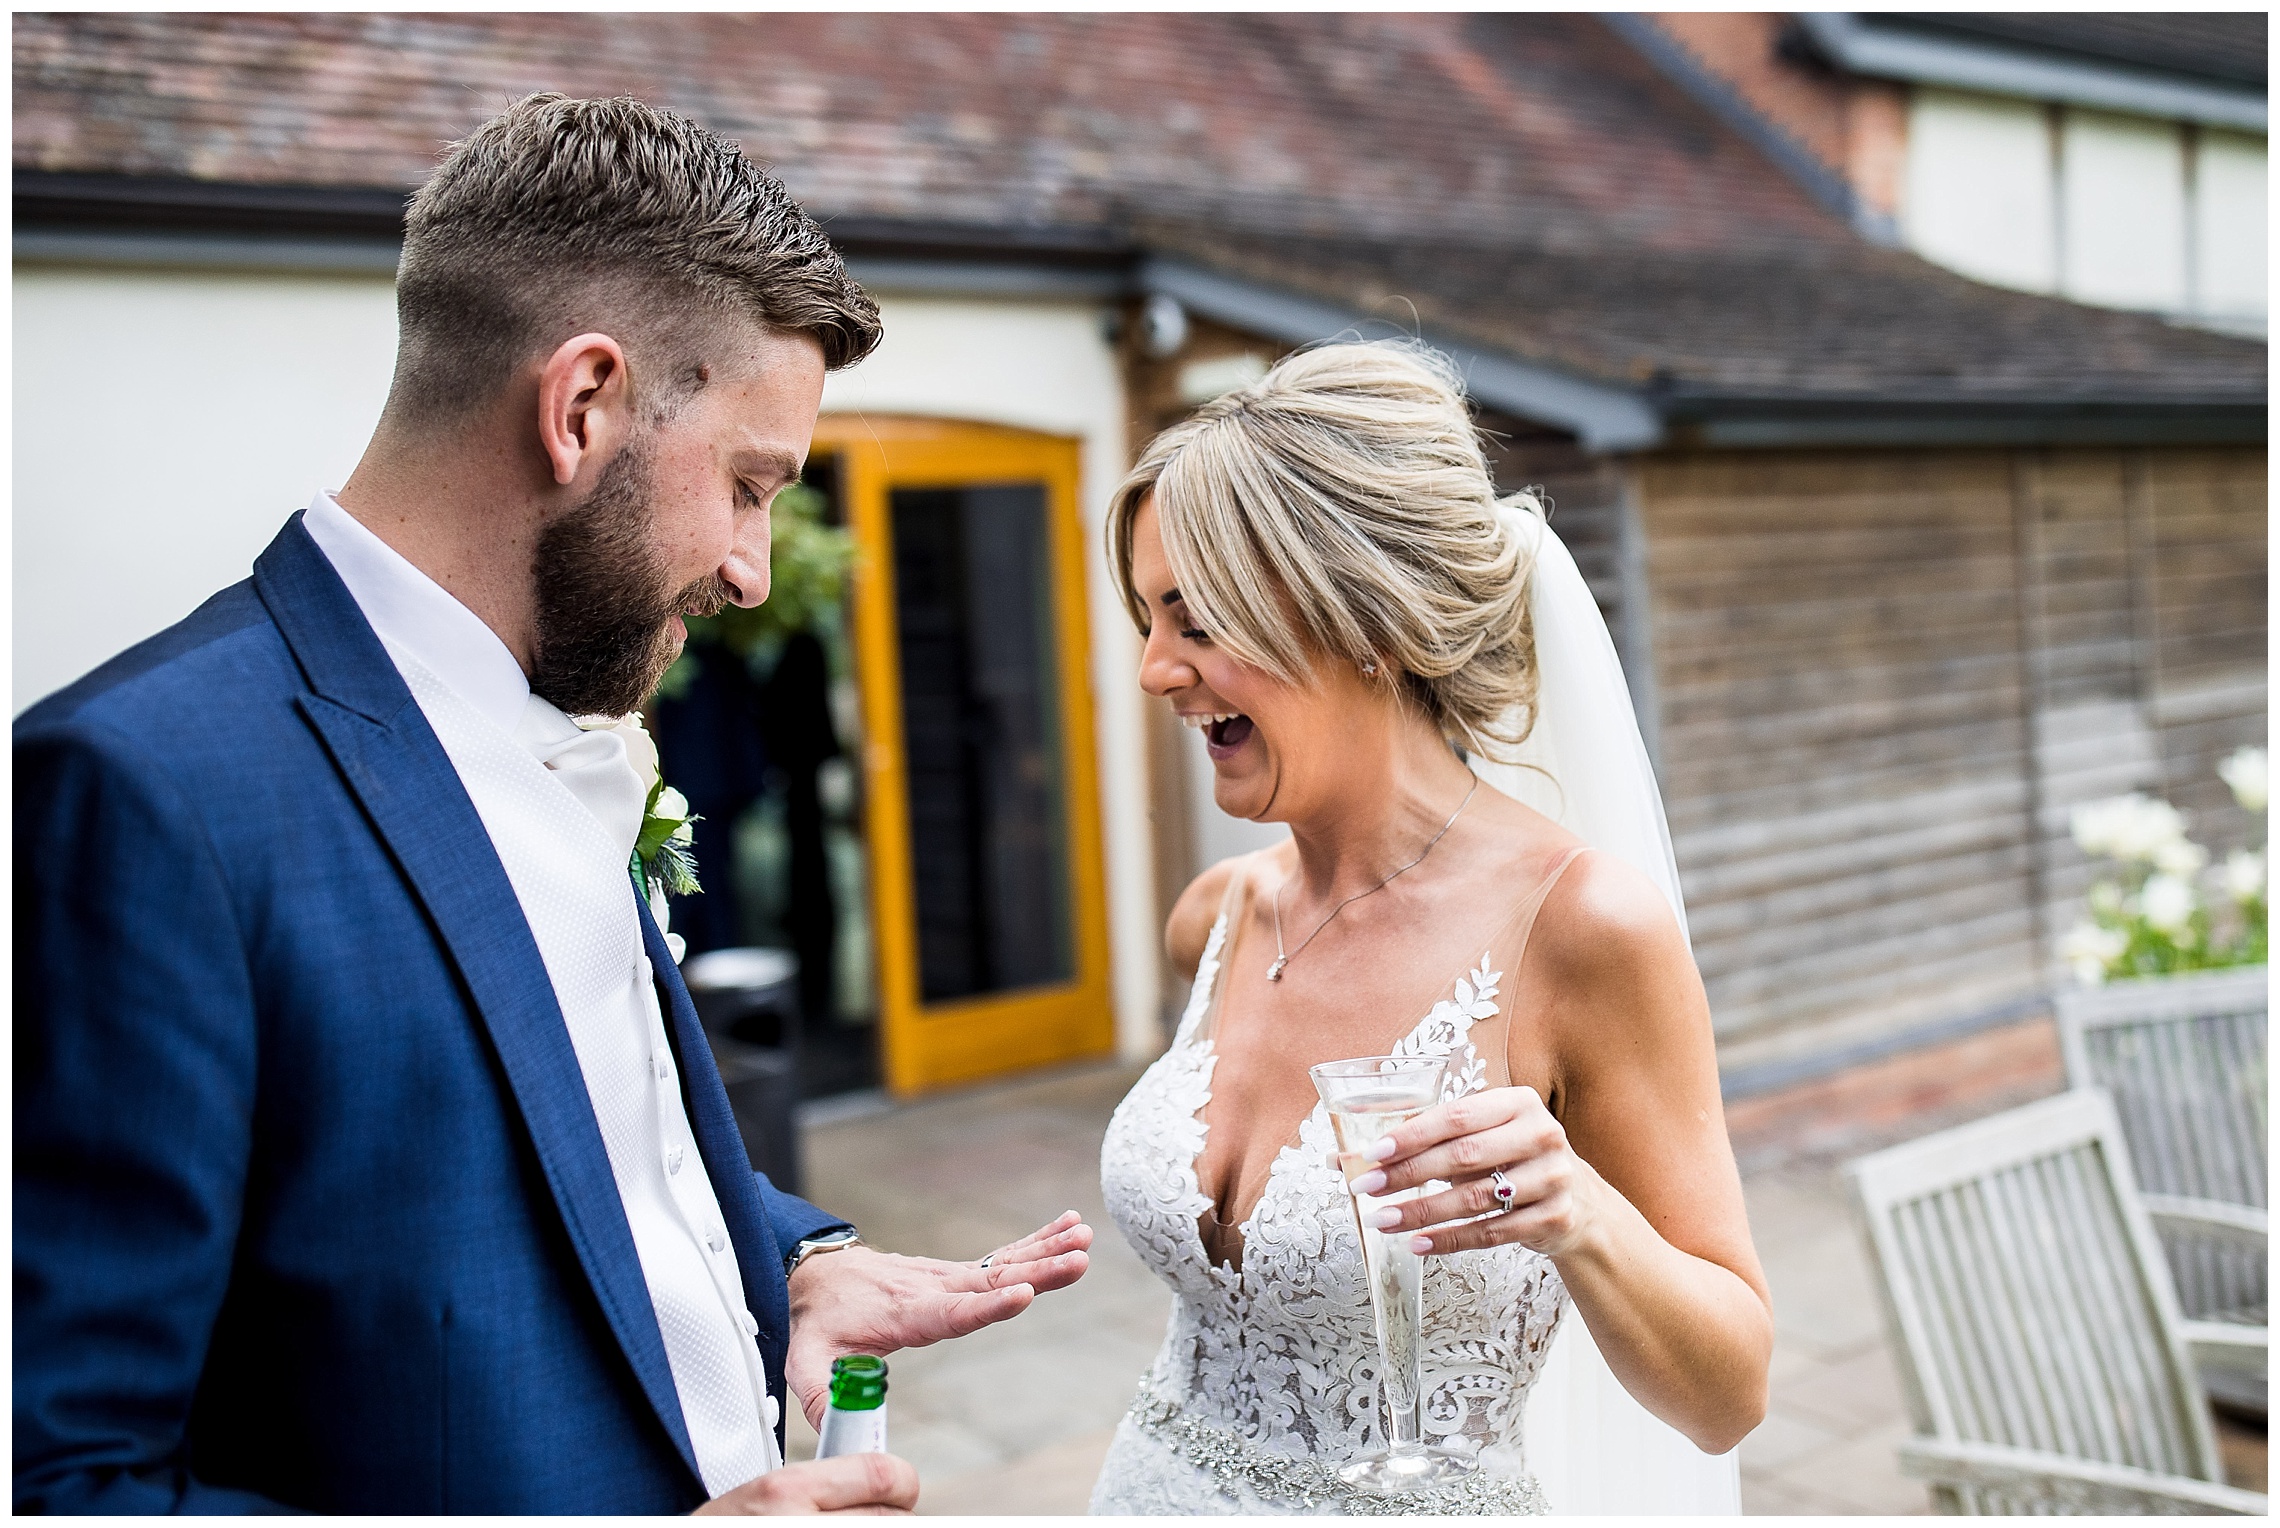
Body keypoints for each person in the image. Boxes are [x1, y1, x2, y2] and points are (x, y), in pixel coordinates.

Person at [14, 94, 1091, 1515]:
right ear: (582, 407)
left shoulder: (575, 724)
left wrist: (786, 1266)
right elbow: (65, 1480)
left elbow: (552, 1144)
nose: (755, 572)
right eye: (753, 484)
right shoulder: (146, 789)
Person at [1089, 342, 1769, 1514]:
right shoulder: (1217, 918)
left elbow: (1728, 1394)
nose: (1156, 670)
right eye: (1152, 618)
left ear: (1365, 620)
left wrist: (1580, 1210)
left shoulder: (1581, 930)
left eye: (1196, 620)